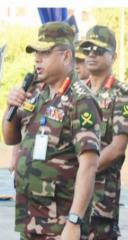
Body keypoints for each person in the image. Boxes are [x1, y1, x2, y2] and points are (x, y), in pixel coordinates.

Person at [2, 21, 101, 239]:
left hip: (60, 225)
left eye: (45, 53)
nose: (37, 59)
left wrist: (74, 222)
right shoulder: (36, 91)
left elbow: (89, 165)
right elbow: (10, 138)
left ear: (66, 56)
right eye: (36, 53)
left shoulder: (81, 101)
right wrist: (10, 107)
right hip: (31, 220)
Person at [79, 25, 128, 240]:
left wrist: (81, 173)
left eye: (99, 50)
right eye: (87, 48)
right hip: (68, 195)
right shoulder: (76, 91)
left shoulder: (122, 94)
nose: (91, 53)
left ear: (114, 56)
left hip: (100, 200)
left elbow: (117, 149)